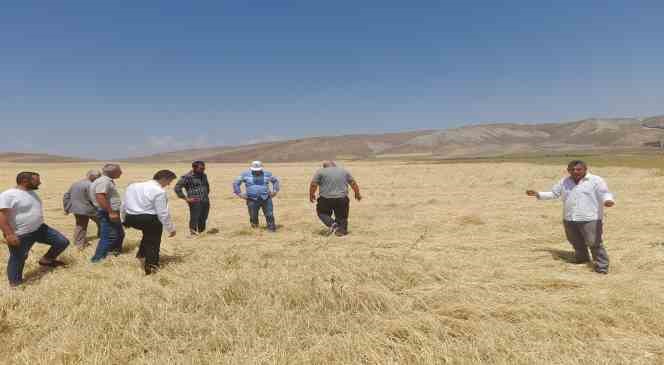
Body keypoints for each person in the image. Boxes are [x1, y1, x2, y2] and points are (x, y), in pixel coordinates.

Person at [526, 160, 615, 274]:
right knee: (575, 241)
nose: (575, 171)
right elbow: (554, 193)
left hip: (590, 218)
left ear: (585, 169)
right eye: (572, 169)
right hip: (570, 218)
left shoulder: (596, 180)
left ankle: (602, 267)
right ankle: (582, 259)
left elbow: (604, 193)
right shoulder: (564, 181)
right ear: (568, 170)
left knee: (594, 242)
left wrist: (608, 201)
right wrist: (538, 194)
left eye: (578, 169)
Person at [0, 172, 70, 286]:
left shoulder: (31, 192)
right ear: (25, 181)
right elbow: (1, 216)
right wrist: (9, 235)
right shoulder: (8, 195)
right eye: (36, 181)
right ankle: (15, 284)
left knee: (62, 242)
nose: (39, 182)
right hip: (21, 234)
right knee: (18, 258)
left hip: (39, 229)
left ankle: (46, 260)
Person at [122, 170, 177, 275]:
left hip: (131, 217)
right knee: (153, 242)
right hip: (148, 219)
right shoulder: (159, 191)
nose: (169, 184)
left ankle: (141, 254)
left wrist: (124, 219)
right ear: (163, 178)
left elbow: (124, 203)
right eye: (169, 181)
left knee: (147, 233)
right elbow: (163, 213)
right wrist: (171, 229)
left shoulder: (133, 186)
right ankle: (151, 269)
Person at [309, 161, 362, 236]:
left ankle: (332, 224)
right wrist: (357, 193)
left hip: (325, 199)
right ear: (335, 165)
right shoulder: (344, 171)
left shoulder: (320, 172)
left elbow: (314, 184)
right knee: (342, 217)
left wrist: (311, 195)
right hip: (342, 198)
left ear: (324, 166)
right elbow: (352, 182)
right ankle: (341, 231)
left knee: (322, 213)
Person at [90, 164, 125, 262]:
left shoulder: (104, 181)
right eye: (119, 171)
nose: (121, 173)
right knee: (108, 236)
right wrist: (111, 212)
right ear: (112, 172)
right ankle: (97, 259)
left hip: (110, 211)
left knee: (119, 234)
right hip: (107, 212)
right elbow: (100, 196)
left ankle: (113, 253)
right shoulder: (104, 182)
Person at [233, 161, 280, 232]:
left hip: (266, 198)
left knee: (269, 214)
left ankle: (271, 229)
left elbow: (275, 181)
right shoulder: (245, 174)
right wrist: (239, 193)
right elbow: (236, 183)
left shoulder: (268, 174)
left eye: (258, 170)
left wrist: (275, 191)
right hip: (251, 199)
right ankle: (255, 230)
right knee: (253, 215)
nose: (256, 172)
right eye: (255, 170)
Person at [63, 170, 101, 249]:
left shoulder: (76, 183)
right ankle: (79, 245)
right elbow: (94, 199)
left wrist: (66, 208)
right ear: (95, 178)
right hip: (88, 210)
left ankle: (79, 242)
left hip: (76, 209)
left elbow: (66, 196)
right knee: (101, 221)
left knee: (81, 226)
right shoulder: (91, 185)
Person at [175, 161, 211, 235]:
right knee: (195, 217)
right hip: (194, 201)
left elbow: (206, 186)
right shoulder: (187, 177)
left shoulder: (204, 175)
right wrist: (186, 198)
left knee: (203, 217)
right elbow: (177, 187)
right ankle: (193, 234)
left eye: (204, 168)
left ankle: (201, 233)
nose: (203, 169)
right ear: (194, 168)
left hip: (205, 200)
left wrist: (206, 194)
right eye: (201, 168)